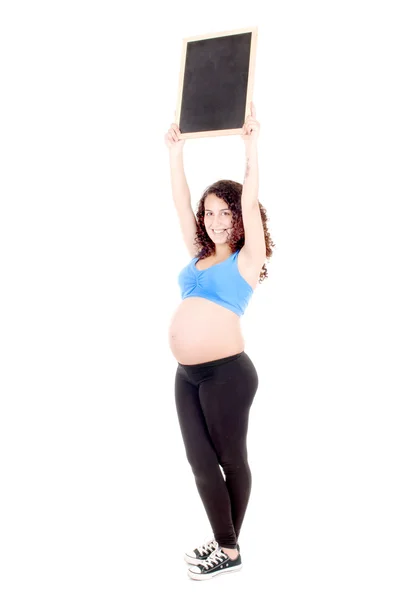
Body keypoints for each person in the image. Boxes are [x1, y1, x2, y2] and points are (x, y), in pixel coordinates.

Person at [165, 103, 275, 581]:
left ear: (238, 218)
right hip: (187, 375)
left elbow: (252, 201)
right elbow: (178, 198)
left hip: (228, 373)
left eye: (223, 213)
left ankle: (228, 550)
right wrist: (175, 152)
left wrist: (251, 146)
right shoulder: (199, 255)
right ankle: (224, 544)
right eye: (207, 213)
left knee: (230, 460)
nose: (213, 221)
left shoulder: (248, 259)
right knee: (199, 460)